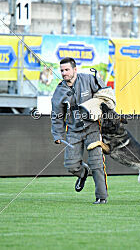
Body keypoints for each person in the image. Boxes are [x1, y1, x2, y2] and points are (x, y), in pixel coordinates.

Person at [51, 57, 108, 204]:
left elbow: (105, 95)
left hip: (93, 128)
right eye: (62, 70)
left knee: (97, 163)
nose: (64, 73)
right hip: (73, 131)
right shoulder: (59, 91)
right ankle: (83, 173)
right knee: (71, 165)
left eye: (67, 70)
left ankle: (101, 197)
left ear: (75, 70)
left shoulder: (89, 79)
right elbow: (57, 115)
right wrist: (57, 134)